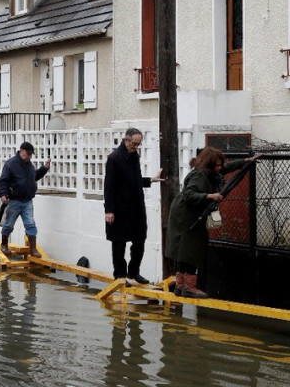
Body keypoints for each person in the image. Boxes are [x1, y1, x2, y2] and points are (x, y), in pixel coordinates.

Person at [165, 147, 260, 298]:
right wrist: (210, 196)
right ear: (208, 164)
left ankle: (181, 285)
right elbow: (189, 194)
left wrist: (245, 161)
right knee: (190, 249)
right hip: (186, 215)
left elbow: (226, 167)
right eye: (217, 165)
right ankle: (187, 286)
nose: (219, 168)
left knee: (185, 249)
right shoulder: (199, 175)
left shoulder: (209, 171)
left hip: (188, 212)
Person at [103, 128, 164, 285]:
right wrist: (109, 210)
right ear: (126, 140)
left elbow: (133, 180)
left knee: (139, 240)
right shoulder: (114, 158)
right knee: (119, 243)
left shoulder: (134, 156)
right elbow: (109, 186)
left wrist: (150, 180)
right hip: (119, 208)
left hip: (136, 207)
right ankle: (120, 275)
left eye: (138, 144)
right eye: (134, 144)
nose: (136, 147)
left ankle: (133, 272)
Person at [0, 141, 51, 256]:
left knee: (30, 224)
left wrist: (44, 168)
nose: (30, 156)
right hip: (14, 201)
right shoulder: (11, 164)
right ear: (21, 151)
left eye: (31, 154)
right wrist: (3, 194)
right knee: (9, 225)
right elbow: (3, 181)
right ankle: (4, 245)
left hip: (27, 201)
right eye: (28, 154)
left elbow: (34, 177)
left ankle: (33, 249)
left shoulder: (29, 165)